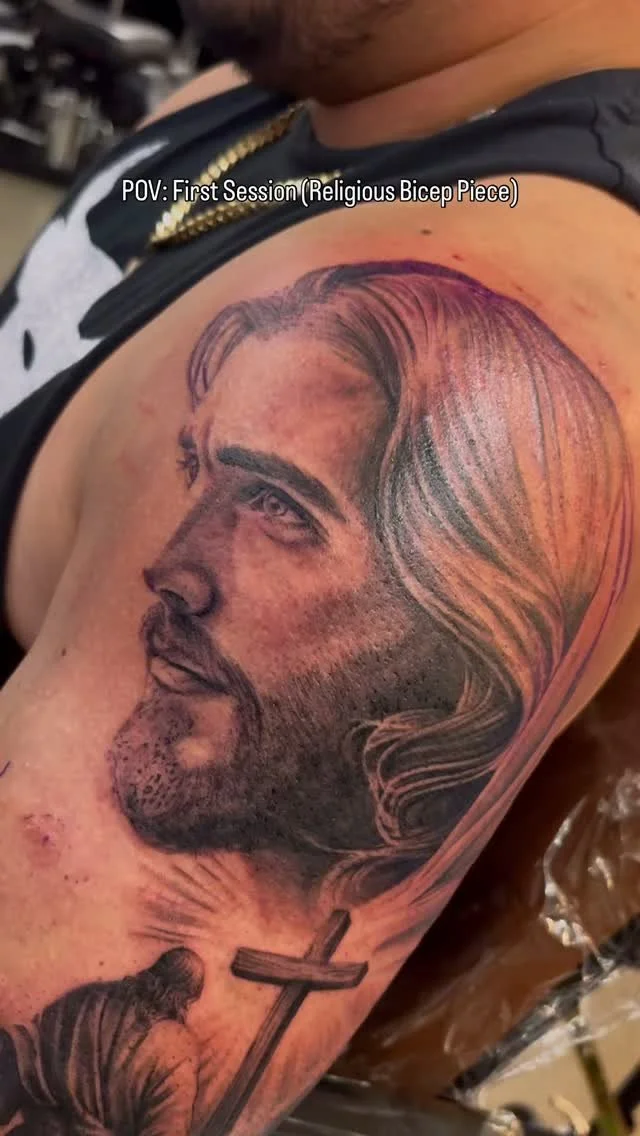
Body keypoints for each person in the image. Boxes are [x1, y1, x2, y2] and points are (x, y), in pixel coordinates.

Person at [0, 1, 638, 1133]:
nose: (174, 570)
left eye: (275, 505)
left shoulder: (504, 344)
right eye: (198, 471)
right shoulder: (280, 81)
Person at [0, 949, 205, 1134]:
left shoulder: (94, 996)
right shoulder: (179, 1049)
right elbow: (168, 1126)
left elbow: (29, 1045)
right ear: (187, 997)